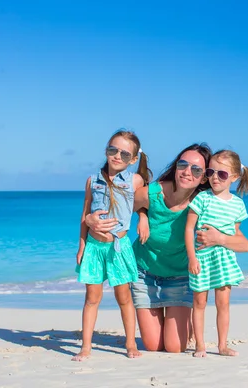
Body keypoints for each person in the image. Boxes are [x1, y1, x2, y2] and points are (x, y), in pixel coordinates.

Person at [85, 143, 248, 353]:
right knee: (153, 346)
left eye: (197, 170)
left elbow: (244, 244)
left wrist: (220, 238)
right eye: (183, 164)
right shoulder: (153, 192)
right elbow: (121, 206)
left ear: (204, 177)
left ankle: (182, 324)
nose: (187, 172)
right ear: (176, 166)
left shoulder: (204, 202)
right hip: (145, 273)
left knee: (174, 347)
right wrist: (141, 215)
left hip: (180, 277)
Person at [73, 130, 151, 361]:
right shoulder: (92, 180)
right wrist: (81, 245)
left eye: (124, 154)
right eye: (112, 150)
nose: (117, 156)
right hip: (94, 248)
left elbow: (145, 200)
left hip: (119, 247)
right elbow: (85, 213)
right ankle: (86, 347)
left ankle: (129, 344)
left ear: (133, 159)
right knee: (91, 298)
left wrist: (143, 218)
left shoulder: (135, 180)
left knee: (124, 298)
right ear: (106, 150)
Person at [185, 149, 248, 357]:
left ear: (234, 177)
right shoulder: (202, 199)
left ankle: (222, 345)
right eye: (210, 172)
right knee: (199, 302)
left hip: (224, 259)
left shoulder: (238, 205)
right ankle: (200, 345)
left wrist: (222, 239)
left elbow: (235, 233)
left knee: (223, 304)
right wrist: (192, 258)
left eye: (221, 174)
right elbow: (188, 229)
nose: (215, 177)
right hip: (202, 258)